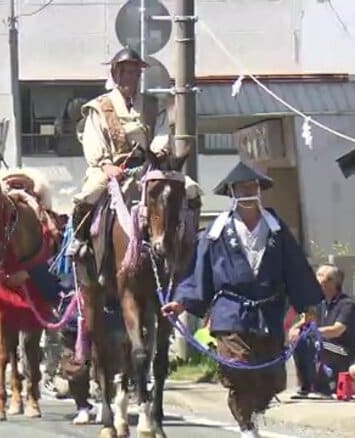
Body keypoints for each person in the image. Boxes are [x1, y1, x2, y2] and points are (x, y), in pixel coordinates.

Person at [161, 161, 323, 438]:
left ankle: (256, 411)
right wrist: (181, 302)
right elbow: (200, 273)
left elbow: (296, 268)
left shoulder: (277, 231)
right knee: (239, 367)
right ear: (232, 192)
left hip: (268, 310)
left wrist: (308, 306)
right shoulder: (216, 233)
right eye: (241, 188)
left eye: (252, 187)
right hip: (231, 311)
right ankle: (245, 425)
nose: (248, 192)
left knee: (269, 377)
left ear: (260, 190)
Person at [68, 47, 153, 257]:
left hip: (149, 165)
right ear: (115, 74)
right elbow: (93, 138)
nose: (131, 78)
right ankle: (79, 240)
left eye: (135, 73)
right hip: (110, 166)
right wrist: (106, 165)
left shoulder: (153, 105)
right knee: (89, 193)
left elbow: (161, 133)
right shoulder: (99, 107)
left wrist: (159, 153)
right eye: (126, 72)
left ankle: (185, 244)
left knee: (188, 189)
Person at [289, 264, 355, 398]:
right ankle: (306, 386)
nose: (316, 279)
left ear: (334, 282)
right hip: (325, 343)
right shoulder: (320, 303)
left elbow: (337, 330)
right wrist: (295, 329)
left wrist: (311, 333)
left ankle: (322, 388)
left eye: (321, 276)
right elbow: (306, 320)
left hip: (342, 349)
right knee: (300, 342)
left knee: (313, 342)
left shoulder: (346, 304)